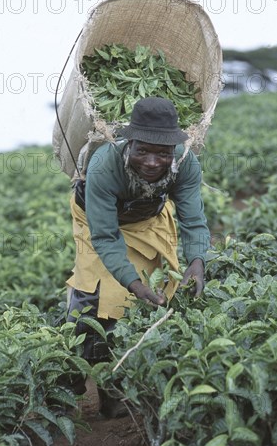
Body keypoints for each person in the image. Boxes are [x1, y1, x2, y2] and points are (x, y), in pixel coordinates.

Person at [66, 97, 210, 416]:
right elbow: (104, 236)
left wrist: (197, 261)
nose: (151, 162)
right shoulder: (105, 164)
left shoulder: (185, 163)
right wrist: (132, 283)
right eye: (142, 150)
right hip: (97, 219)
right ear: (128, 143)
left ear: (175, 148)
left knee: (149, 299)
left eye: (162, 152)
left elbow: (193, 219)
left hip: (146, 220)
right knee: (96, 296)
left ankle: (118, 386)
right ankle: (68, 382)